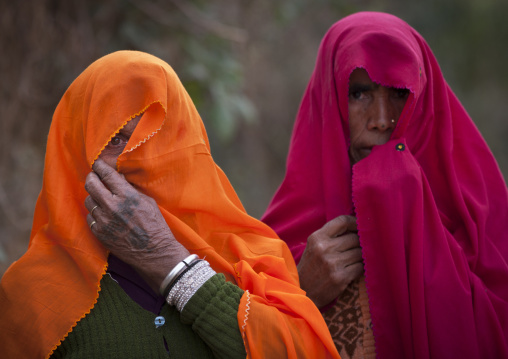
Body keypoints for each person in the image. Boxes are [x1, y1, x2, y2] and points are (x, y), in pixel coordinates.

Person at [0, 51, 340, 358]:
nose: (139, 160)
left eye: (157, 139)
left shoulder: (248, 256)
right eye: (116, 139)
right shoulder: (28, 295)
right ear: (75, 152)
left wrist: (169, 263)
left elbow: (301, 351)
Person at [262, 11, 508, 359]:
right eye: (360, 94)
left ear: (423, 98)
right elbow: (243, 340)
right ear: (331, 99)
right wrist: (301, 290)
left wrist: (413, 223)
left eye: (398, 93)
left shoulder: (481, 217)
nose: (381, 120)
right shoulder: (273, 244)